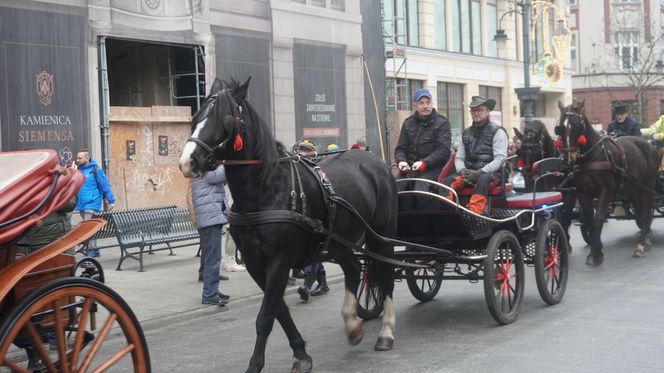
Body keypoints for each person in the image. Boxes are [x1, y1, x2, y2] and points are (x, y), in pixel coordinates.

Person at [444, 95, 508, 215]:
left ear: (488, 111)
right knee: (446, 182)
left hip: (493, 174)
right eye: (474, 110)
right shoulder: (466, 133)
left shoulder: (498, 131)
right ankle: (448, 213)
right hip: (469, 173)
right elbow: (459, 158)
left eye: (480, 110)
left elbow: (500, 159)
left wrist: (480, 172)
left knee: (483, 179)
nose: (476, 113)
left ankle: (473, 213)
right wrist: (462, 170)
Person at [394, 88, 452, 190]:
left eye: (428, 102)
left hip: (434, 168)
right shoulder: (408, 123)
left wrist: (424, 163)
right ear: (415, 106)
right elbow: (400, 148)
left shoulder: (442, 123)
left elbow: (443, 151)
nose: (425, 106)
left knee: (421, 186)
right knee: (394, 185)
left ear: (432, 103)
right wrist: (401, 161)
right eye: (421, 103)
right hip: (410, 168)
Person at [191, 165, 231, 306]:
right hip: (210, 219)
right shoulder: (205, 170)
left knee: (212, 258)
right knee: (212, 259)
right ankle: (209, 294)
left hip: (211, 218)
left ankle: (213, 290)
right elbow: (224, 173)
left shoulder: (202, 169)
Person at [74, 149, 116, 257]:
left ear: (87, 158)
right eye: (77, 158)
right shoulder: (78, 170)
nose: (77, 160)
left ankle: (91, 251)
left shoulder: (95, 169)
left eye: (80, 158)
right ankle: (95, 249)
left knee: (88, 228)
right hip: (82, 204)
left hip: (92, 203)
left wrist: (111, 201)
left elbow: (104, 185)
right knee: (89, 227)